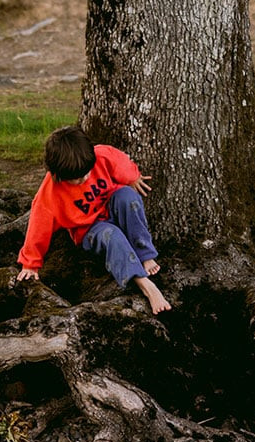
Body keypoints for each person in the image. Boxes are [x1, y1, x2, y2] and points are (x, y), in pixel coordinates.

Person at [16, 125, 171, 315]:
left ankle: (145, 254)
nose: (86, 177)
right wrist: (30, 263)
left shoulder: (100, 155)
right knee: (111, 235)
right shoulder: (50, 192)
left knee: (127, 196)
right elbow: (38, 225)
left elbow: (118, 161)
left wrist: (133, 176)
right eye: (78, 178)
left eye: (88, 172)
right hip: (89, 229)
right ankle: (144, 284)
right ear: (58, 175)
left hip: (110, 208)